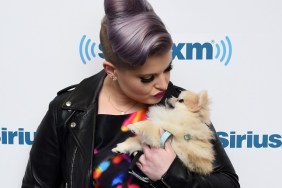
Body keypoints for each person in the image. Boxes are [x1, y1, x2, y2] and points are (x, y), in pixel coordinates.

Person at [22, 0, 240, 187]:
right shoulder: (68, 111)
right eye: (147, 78)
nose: (163, 85)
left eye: (167, 69)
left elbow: (229, 183)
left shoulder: (184, 108)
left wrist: (173, 174)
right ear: (111, 70)